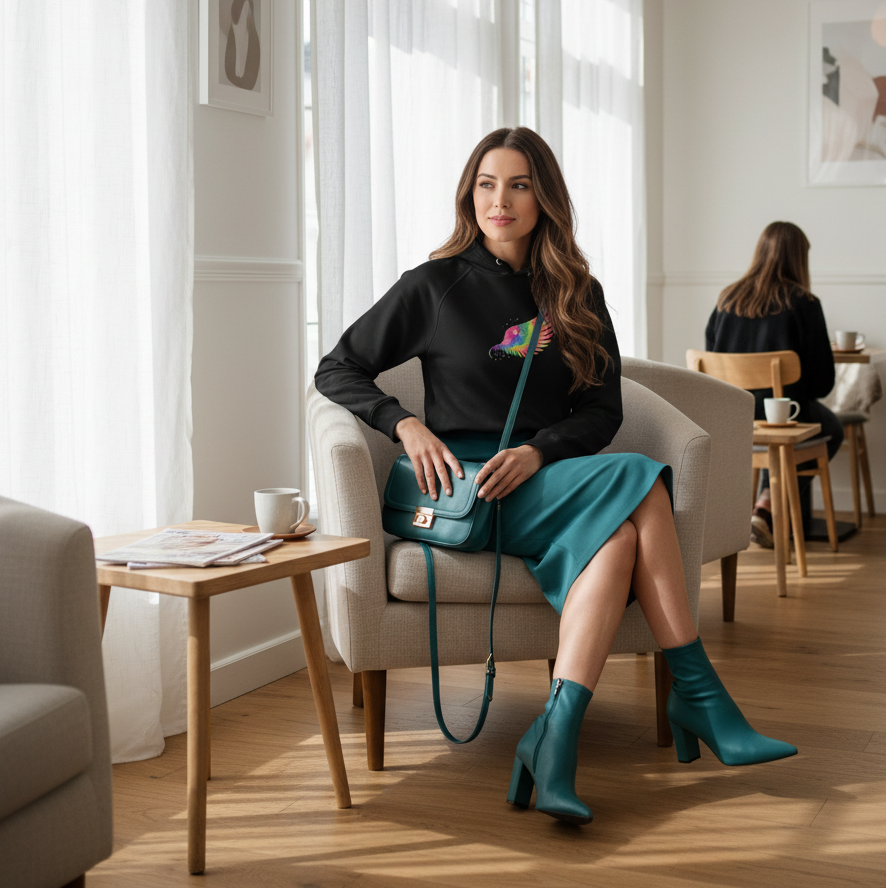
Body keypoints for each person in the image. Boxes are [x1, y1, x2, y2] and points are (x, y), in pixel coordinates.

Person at [315, 127, 796, 825]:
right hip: (466, 489)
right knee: (639, 477)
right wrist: (405, 423)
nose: (499, 200)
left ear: (544, 198)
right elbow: (337, 367)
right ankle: (697, 693)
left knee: (622, 540)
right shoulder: (433, 285)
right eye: (486, 184)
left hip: (547, 478)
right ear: (468, 194)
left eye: (517, 184)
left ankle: (555, 739)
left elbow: (603, 410)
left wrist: (540, 452)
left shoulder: (577, 292)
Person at [705, 222, 842, 549]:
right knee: (833, 430)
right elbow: (823, 383)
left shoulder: (727, 300)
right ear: (799, 259)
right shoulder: (804, 303)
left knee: (777, 431)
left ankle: (765, 505)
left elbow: (712, 366)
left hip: (733, 418)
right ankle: (771, 501)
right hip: (783, 418)